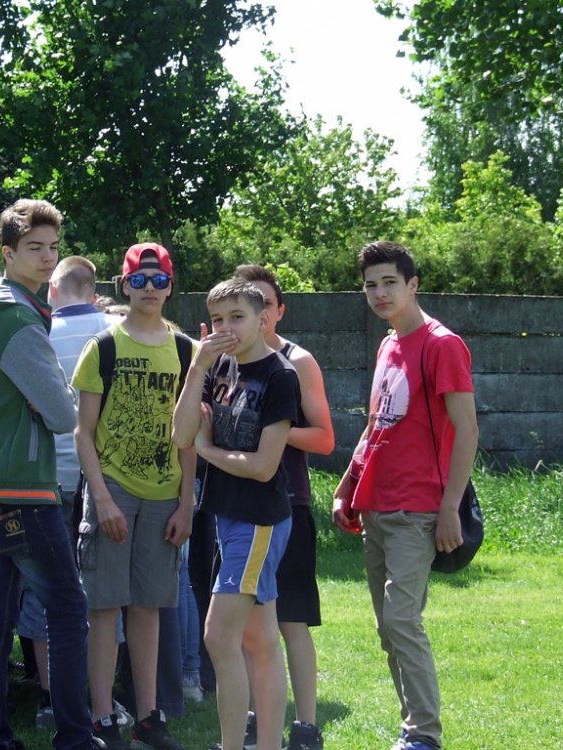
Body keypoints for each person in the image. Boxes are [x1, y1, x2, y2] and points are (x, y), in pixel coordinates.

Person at [0, 199, 94, 750]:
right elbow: (63, 414)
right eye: (34, 247)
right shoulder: (17, 318)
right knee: (69, 607)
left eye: (53, 247)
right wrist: (52, 395)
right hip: (23, 489)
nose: (46, 257)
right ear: (8, 254)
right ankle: (76, 736)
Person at [331, 241, 478, 750]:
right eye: (370, 285)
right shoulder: (388, 344)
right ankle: (411, 728)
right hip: (376, 505)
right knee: (387, 627)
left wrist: (449, 508)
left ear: (413, 285)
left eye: (389, 282)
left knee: (401, 620)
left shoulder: (442, 345)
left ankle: (424, 736)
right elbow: (377, 425)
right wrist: (348, 485)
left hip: (420, 509)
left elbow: (467, 430)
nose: (379, 293)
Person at [72, 242, 195, 750]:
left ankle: (148, 717)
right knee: (104, 608)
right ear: (124, 286)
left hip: (165, 495)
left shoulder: (186, 351)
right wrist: (101, 499)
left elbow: (189, 436)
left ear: (170, 287)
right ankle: (102, 718)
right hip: (114, 490)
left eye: (158, 280)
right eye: (139, 280)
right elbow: (83, 433)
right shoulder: (103, 346)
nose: (149, 288)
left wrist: (187, 503)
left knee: (148, 608)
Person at [172, 278, 300, 750]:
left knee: (217, 636)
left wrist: (209, 450)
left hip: (258, 520)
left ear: (263, 319)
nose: (226, 328)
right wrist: (197, 367)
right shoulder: (217, 366)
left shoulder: (281, 376)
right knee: (259, 641)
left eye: (237, 317)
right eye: (217, 319)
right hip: (227, 517)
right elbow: (181, 434)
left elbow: (264, 467)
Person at [13, 255, 121, 731]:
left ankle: (49, 695)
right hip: (103, 481)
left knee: (45, 588)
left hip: (47, 477)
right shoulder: (116, 334)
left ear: (52, 289)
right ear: (93, 291)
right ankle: (103, 698)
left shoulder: (37, 332)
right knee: (102, 593)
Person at [232, 265, 334, 750]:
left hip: (289, 504)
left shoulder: (298, 361)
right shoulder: (227, 360)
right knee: (247, 625)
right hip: (238, 507)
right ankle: (255, 719)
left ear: (278, 311)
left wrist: (272, 427)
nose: (259, 314)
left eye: (266, 305)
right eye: (248, 305)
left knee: (292, 621)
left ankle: (306, 726)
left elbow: (325, 439)